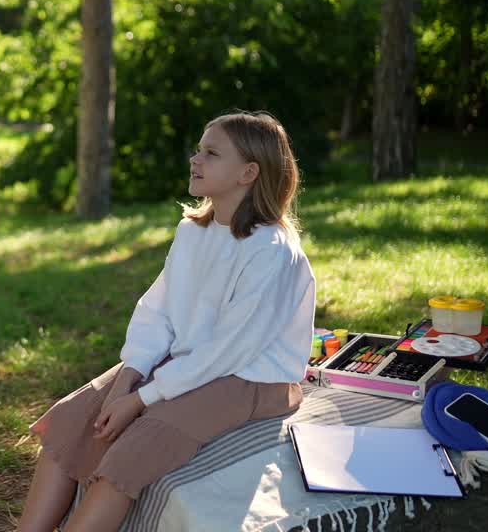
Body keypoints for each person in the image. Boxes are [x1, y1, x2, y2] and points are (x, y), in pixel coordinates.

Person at [16, 111, 316, 532]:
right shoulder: (193, 232)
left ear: (249, 172)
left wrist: (140, 400)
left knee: (132, 451)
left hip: (248, 379)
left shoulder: (271, 251)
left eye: (211, 153)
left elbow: (227, 353)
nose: (195, 159)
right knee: (73, 416)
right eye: (199, 149)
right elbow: (158, 312)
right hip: (186, 363)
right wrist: (127, 379)